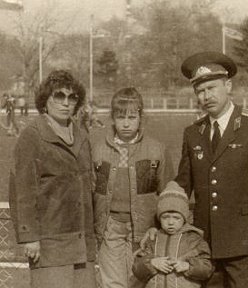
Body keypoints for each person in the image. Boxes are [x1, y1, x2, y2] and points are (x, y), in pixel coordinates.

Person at [174, 51, 248, 287]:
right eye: (200, 91)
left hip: (243, 244)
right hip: (204, 245)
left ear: (228, 86)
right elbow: (183, 184)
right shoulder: (193, 133)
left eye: (212, 88)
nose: (206, 96)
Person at [9, 70, 97, 288]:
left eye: (72, 97)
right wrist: (29, 237)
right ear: (45, 101)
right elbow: (22, 191)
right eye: (59, 96)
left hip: (82, 243)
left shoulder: (82, 136)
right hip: (50, 245)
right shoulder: (32, 135)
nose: (66, 103)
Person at [92, 87, 174, 288]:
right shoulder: (98, 149)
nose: (126, 123)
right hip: (109, 226)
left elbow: (167, 192)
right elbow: (91, 189)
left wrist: (159, 227)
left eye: (132, 117)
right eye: (121, 118)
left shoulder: (157, 149)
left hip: (145, 229)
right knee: (113, 283)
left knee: (139, 281)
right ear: (112, 118)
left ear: (141, 117)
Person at [132, 184, 214, 288]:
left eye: (176, 218)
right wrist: (152, 263)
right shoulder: (153, 238)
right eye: (165, 217)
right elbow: (137, 268)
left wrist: (188, 266)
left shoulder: (194, 239)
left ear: (184, 218)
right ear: (159, 218)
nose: (170, 222)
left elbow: (207, 268)